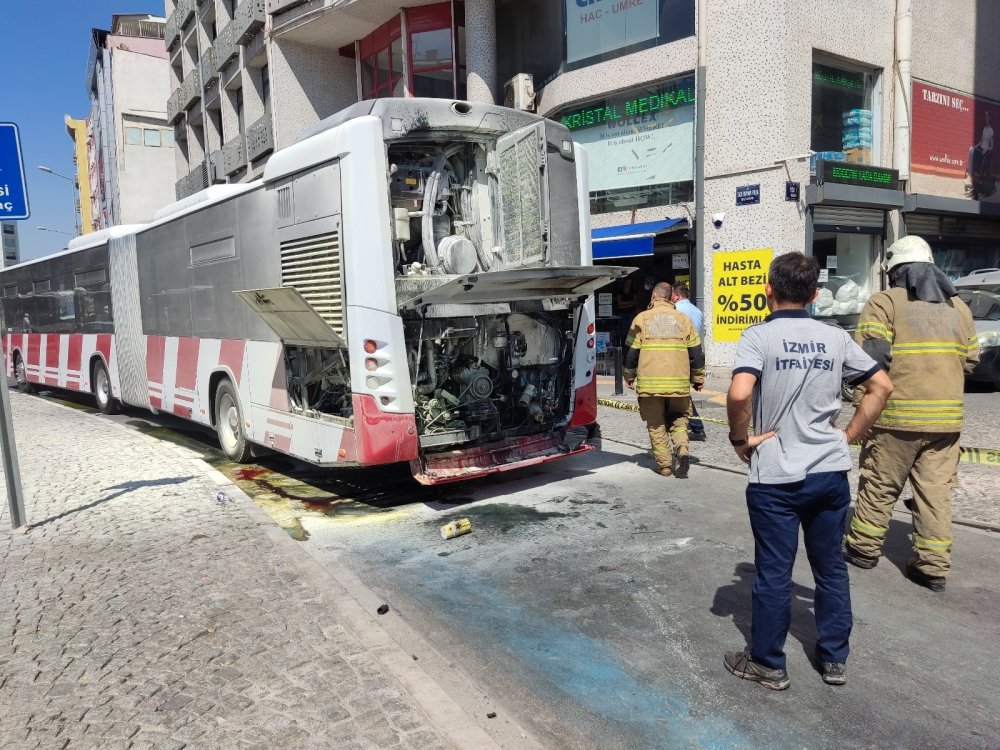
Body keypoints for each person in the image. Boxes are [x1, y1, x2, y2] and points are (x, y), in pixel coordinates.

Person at [724, 252, 892, 690]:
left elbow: (740, 393)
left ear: (768, 291)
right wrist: (849, 436)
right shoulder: (834, 337)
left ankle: (768, 664)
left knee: (774, 573)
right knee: (831, 568)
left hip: (776, 476)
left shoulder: (758, 336)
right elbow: (881, 385)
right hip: (829, 473)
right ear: (815, 294)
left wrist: (740, 440)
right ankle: (834, 659)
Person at [844, 235, 979, 592]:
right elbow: (970, 362)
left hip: (895, 419)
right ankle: (932, 567)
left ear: (897, 272)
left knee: (880, 484)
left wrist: (861, 406)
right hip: (946, 423)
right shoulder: (960, 309)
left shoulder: (884, 303)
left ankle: (863, 548)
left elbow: (869, 361)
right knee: (935, 493)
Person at [623, 282, 705, 478]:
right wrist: (698, 378)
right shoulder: (683, 319)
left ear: (653, 296)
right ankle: (682, 449)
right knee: (679, 421)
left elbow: (632, 353)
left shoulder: (641, 319)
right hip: (678, 385)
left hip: (651, 386)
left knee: (656, 425)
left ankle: (665, 466)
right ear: (671, 298)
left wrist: (628, 375)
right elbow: (696, 353)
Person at [671, 283, 707, 440]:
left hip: (679, 357)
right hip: (694, 355)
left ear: (677, 296)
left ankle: (696, 428)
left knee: (680, 394)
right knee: (681, 393)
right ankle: (692, 427)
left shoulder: (676, 311)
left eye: (671, 296)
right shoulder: (698, 311)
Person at [966, 110, 993, 182]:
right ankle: (970, 174)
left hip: (984, 151)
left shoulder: (991, 130)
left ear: (989, 118)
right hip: (980, 149)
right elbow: (981, 141)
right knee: (971, 149)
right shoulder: (984, 129)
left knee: (974, 152)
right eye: (985, 116)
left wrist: (986, 149)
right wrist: (975, 146)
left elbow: (992, 147)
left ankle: (971, 176)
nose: (985, 117)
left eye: (987, 116)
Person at [614, 277, 639, 346]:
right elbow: (619, 303)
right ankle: (622, 344)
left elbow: (635, 302)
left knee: (630, 329)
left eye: (630, 283)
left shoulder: (633, 292)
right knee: (622, 330)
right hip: (621, 313)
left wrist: (623, 305)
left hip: (630, 313)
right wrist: (630, 303)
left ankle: (630, 345)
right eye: (627, 283)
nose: (629, 284)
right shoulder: (620, 292)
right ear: (624, 283)